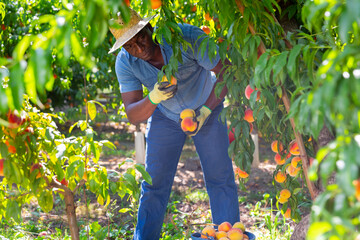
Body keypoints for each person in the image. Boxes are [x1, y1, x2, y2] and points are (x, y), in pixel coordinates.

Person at [109, 9, 240, 240]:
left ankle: (227, 236)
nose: (138, 49)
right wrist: (153, 98)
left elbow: (226, 73)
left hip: (207, 105)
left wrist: (206, 111)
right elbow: (132, 114)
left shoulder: (185, 37)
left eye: (140, 38)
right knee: (154, 183)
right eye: (129, 46)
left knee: (220, 177)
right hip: (165, 116)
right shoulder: (125, 63)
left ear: (150, 28)